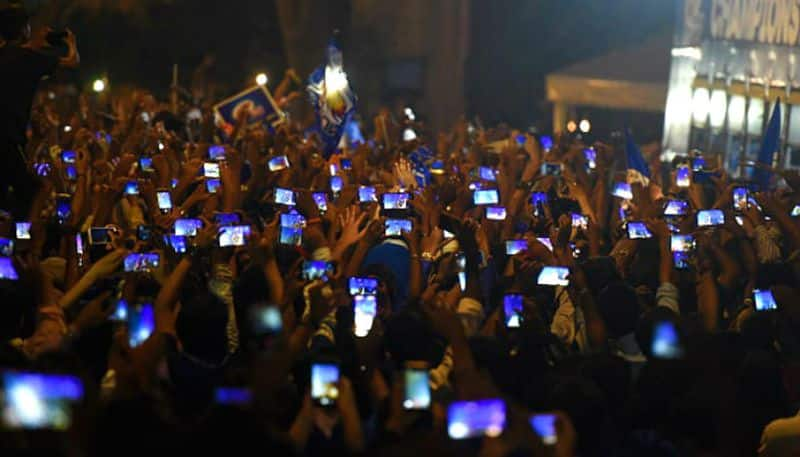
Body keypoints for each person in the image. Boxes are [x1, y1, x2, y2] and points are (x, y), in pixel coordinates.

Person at [0, 2, 78, 218]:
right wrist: (71, 42)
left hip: (9, 139)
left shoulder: (11, 55)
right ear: (24, 29)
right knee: (35, 190)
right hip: (9, 138)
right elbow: (72, 61)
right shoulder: (29, 58)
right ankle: (24, 245)